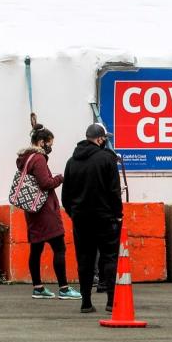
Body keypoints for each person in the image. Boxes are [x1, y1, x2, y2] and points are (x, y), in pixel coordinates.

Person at [62, 123, 123, 314]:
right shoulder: (107, 159)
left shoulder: (72, 161)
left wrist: (75, 213)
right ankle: (111, 301)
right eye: (105, 138)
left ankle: (86, 302)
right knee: (110, 258)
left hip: (81, 220)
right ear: (100, 139)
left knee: (85, 260)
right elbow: (114, 192)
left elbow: (66, 196)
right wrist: (118, 214)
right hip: (105, 218)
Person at [18, 123, 80, 301]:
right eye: (49, 143)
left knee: (36, 248)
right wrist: (60, 178)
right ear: (40, 142)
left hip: (32, 210)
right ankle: (64, 288)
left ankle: (38, 288)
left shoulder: (26, 158)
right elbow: (45, 183)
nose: (50, 147)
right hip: (45, 210)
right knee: (59, 247)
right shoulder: (38, 158)